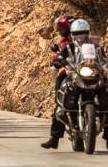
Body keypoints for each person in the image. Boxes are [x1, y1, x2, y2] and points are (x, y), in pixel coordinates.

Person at [47, 18, 108, 151]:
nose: (80, 37)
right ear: (72, 34)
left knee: (107, 96)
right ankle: (54, 139)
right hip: (75, 74)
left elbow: (103, 60)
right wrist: (59, 59)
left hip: (92, 74)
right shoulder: (69, 47)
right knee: (61, 102)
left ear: (88, 33)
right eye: (77, 34)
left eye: (83, 33)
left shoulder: (96, 48)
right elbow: (60, 57)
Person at [42, 14, 72, 149]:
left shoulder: (86, 42)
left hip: (84, 72)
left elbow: (94, 52)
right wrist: (56, 60)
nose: (60, 31)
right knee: (60, 103)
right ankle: (54, 138)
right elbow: (56, 56)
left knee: (105, 92)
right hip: (67, 72)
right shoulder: (64, 42)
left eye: (61, 28)